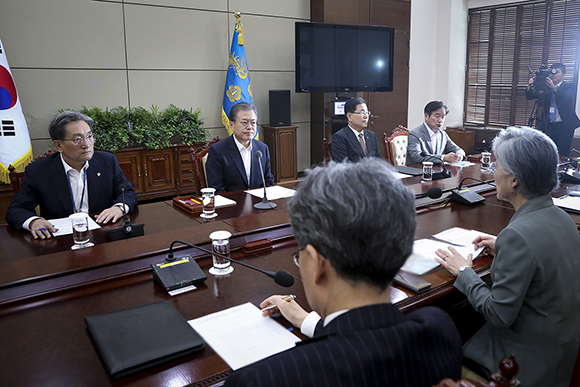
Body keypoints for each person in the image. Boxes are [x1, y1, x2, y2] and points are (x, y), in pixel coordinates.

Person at [225, 158, 463, 387]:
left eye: (300, 257)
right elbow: (362, 341)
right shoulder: (439, 329)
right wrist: (306, 320)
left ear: (317, 265)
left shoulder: (260, 380)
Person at [435, 127, 580, 387]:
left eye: (498, 166)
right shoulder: (562, 217)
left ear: (513, 179)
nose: (494, 173)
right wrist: (503, 247)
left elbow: (498, 315)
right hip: (562, 347)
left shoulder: (517, 236)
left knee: (435, 347)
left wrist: (464, 272)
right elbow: (541, 258)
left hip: (525, 361)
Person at [6, 111, 138, 239]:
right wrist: (33, 222)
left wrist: (118, 208)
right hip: (59, 240)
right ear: (59, 145)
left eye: (89, 136)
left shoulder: (107, 162)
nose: (87, 145)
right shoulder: (38, 171)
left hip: (101, 234)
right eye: (78, 139)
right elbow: (16, 209)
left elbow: (128, 193)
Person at [205, 102, 274, 193]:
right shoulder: (217, 151)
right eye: (244, 123)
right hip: (232, 204)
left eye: (253, 123)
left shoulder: (262, 149)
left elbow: (268, 182)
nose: (250, 127)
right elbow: (217, 188)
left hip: (259, 203)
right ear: (231, 125)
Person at [526, 63, 580, 156]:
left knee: (562, 153)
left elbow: (567, 97)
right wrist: (530, 86)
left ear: (563, 75)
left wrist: (554, 88)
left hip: (565, 125)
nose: (553, 75)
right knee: (548, 152)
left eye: (556, 72)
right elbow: (530, 96)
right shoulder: (546, 86)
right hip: (549, 125)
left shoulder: (569, 86)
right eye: (552, 72)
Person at [331, 97, 381, 162]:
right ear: (349, 116)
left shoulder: (372, 135)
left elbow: (378, 161)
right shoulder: (340, 137)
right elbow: (343, 166)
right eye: (362, 113)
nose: (366, 116)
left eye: (367, 113)